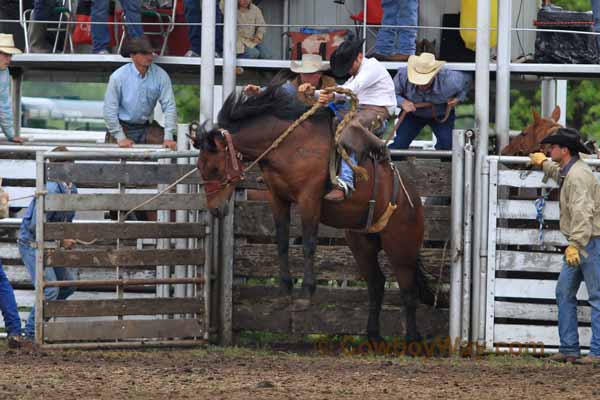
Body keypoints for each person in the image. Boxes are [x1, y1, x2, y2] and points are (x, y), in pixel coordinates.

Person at [529, 128, 600, 365]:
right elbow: (560, 173)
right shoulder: (573, 171)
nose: (550, 150)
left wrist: (576, 244)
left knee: (596, 296)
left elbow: (582, 212)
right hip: (584, 241)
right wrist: (545, 164)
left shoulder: (579, 176)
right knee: (565, 292)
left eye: (553, 148)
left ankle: (596, 351)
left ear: (564, 150)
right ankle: (570, 348)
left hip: (588, 241)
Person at [299, 39, 396, 202]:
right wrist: (314, 93)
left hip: (377, 112)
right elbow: (342, 93)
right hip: (362, 111)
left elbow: (351, 89)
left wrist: (325, 93)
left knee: (351, 128)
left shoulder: (372, 67)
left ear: (359, 57)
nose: (348, 71)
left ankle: (345, 181)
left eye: (349, 66)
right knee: (329, 122)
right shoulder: (358, 71)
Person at [18, 146, 78, 342]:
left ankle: (39, 326)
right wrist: (62, 238)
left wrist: (64, 236)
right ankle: (31, 334)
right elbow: (36, 226)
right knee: (51, 288)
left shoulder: (71, 188)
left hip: (48, 243)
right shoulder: (52, 188)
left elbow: (65, 221)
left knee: (66, 285)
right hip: (32, 242)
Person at [103, 37, 177, 150]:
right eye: (144, 53)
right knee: (114, 160)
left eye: (151, 52)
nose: (149, 56)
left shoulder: (161, 75)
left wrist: (168, 137)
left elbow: (169, 106)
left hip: (145, 127)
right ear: (132, 56)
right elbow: (109, 110)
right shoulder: (118, 77)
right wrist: (120, 137)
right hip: (121, 127)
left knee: (176, 144)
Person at [390, 52, 472, 150]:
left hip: (441, 113)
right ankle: (393, 164)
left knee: (447, 146)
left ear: (434, 75)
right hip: (412, 114)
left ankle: (445, 165)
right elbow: (390, 93)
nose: (421, 84)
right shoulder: (403, 75)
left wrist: (459, 98)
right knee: (399, 144)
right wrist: (402, 102)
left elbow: (468, 79)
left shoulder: (452, 79)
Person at [243, 53, 336, 104]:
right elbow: (276, 91)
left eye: (310, 73)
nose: (305, 76)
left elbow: (341, 98)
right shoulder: (291, 87)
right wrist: (258, 91)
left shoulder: (330, 83)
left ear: (319, 74)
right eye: (304, 73)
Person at [0, 34, 25, 144]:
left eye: (10, 55)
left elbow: (3, 103)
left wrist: (10, 134)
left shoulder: (4, 72)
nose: (9, 59)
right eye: (6, 54)